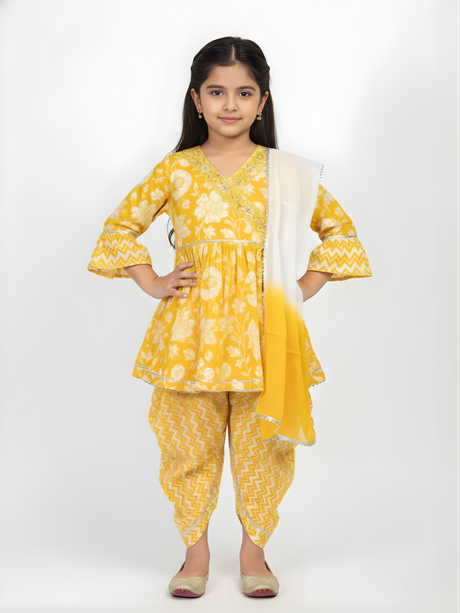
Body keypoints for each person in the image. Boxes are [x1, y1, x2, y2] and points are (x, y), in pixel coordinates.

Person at [87, 36, 372, 598]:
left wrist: (301, 288)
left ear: (263, 101)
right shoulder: (176, 170)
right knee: (188, 445)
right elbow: (119, 228)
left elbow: (340, 232)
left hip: (266, 334)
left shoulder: (286, 173)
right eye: (216, 92)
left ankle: (253, 553)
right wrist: (152, 281)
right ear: (196, 99)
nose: (230, 104)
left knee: (263, 447)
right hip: (190, 335)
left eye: (244, 92)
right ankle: (195, 554)